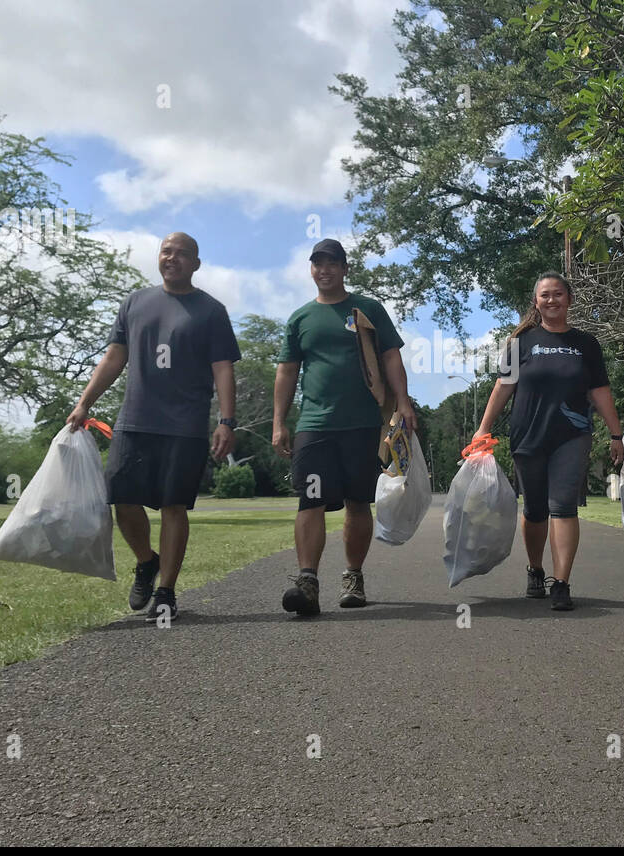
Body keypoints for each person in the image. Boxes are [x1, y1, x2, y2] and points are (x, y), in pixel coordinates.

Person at [68, 232, 240, 622]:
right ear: (158, 258)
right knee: (122, 500)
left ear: (196, 264)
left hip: (186, 426)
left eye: (182, 254)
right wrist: (84, 403)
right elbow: (114, 357)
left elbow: (223, 369)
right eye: (167, 251)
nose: (172, 258)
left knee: (172, 506)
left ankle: (165, 591)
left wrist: (226, 421)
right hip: (135, 421)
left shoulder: (211, 311)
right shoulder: (135, 302)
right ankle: (146, 562)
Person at [272, 238, 415, 616]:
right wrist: (278, 422)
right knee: (311, 499)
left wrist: (402, 402)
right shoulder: (300, 318)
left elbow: (390, 356)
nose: (325, 269)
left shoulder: (367, 309)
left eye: (332, 263)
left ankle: (353, 575)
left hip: (363, 423)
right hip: (315, 425)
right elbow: (287, 371)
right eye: (318, 263)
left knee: (357, 502)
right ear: (312, 269)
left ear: (344, 268)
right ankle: (308, 581)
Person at [473, 272, 623, 612]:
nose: (552, 300)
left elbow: (599, 391)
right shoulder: (520, 343)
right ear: (536, 301)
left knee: (564, 506)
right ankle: (536, 570)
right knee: (535, 509)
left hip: (572, 436)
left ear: (569, 299)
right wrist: (483, 427)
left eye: (558, 294)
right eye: (545, 295)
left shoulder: (586, 344)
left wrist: (616, 433)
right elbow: (503, 387)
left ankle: (562, 582)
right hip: (528, 435)